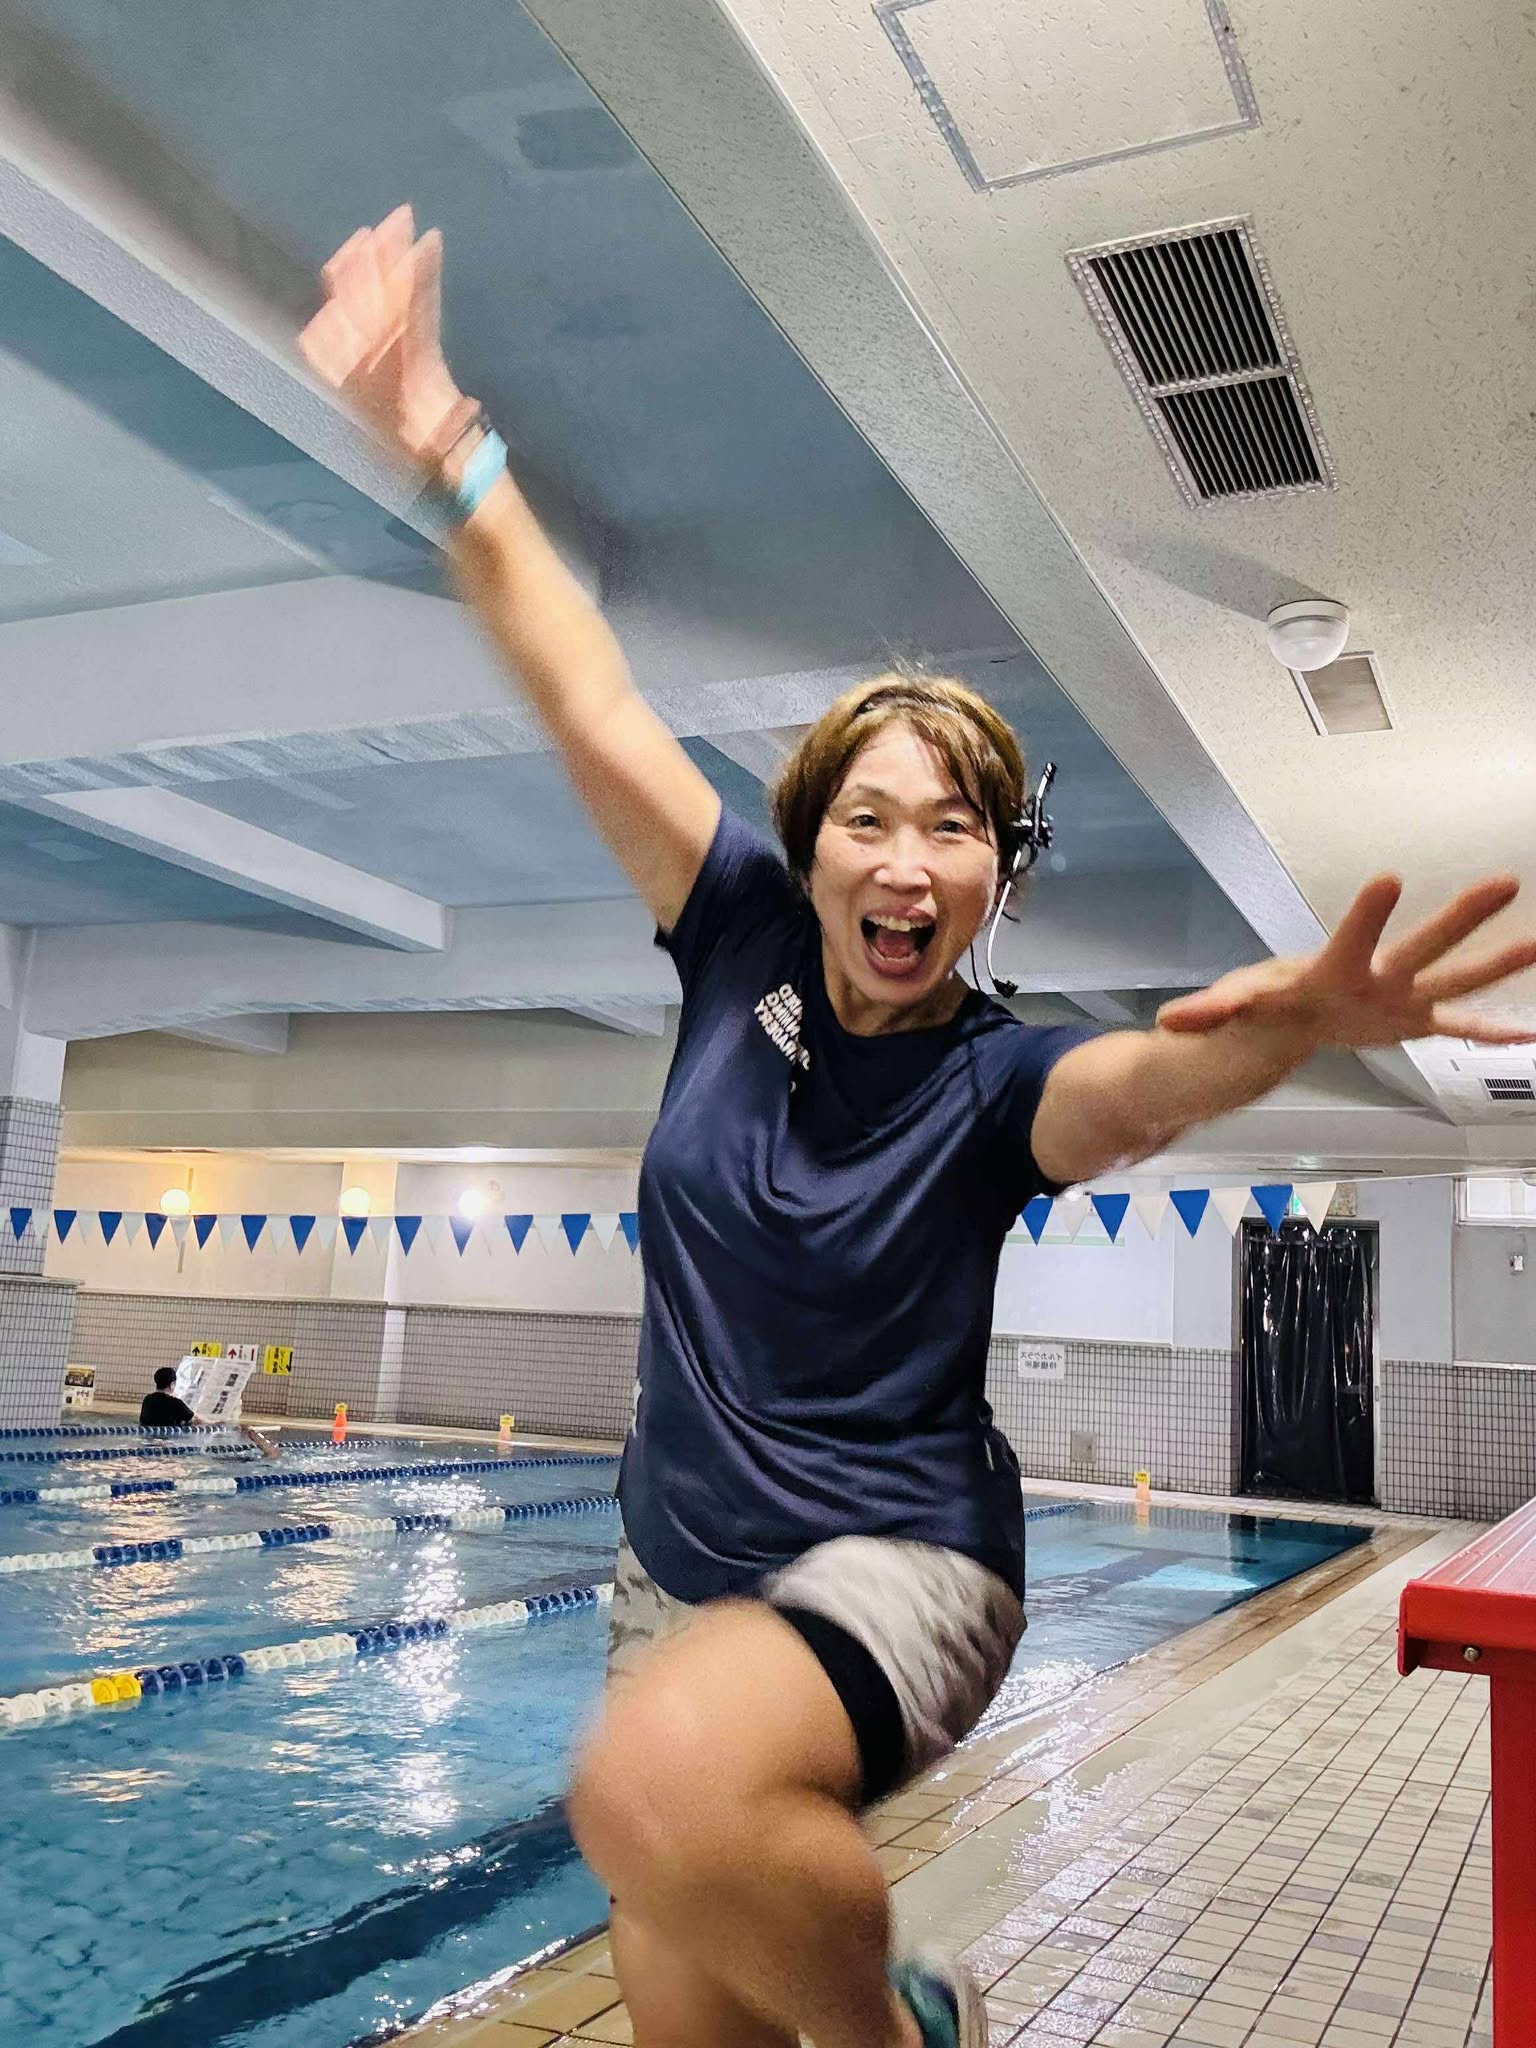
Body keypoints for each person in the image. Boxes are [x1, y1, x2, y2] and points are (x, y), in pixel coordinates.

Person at [299, 208, 1536, 2048]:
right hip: (673, 1578)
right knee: (682, 1979)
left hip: (904, 1562)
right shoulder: (730, 935)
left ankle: (899, 2030)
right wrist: (450, 450)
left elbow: (1138, 1091)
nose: (906, 859)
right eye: (868, 819)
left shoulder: (999, 1080)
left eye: (954, 827)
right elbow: (586, 689)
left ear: (993, 882)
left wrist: (1288, 1031)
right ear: (807, 848)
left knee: (647, 1788)